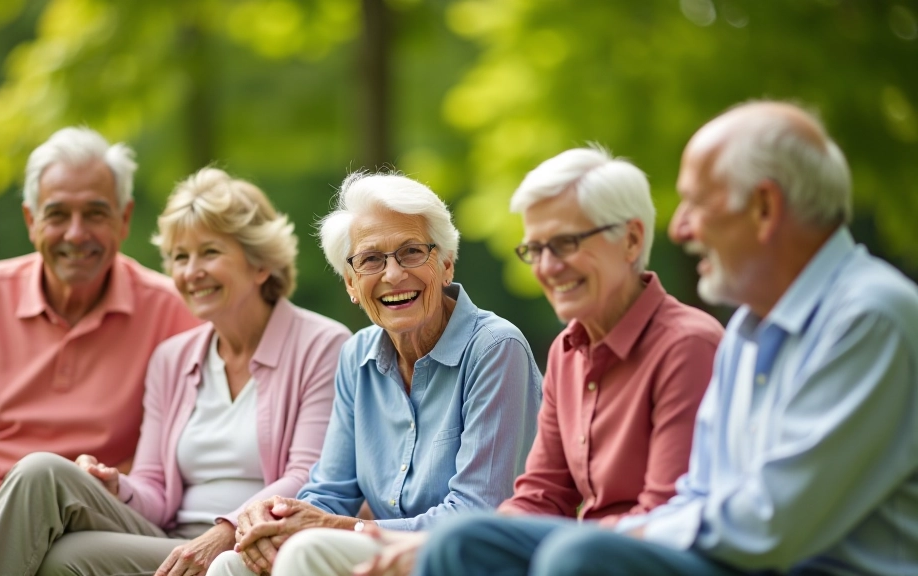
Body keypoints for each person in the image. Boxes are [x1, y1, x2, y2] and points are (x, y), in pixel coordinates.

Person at [415, 101, 918, 576]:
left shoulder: (868, 317)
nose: (678, 227)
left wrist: (629, 534)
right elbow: (699, 492)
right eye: (537, 248)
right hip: (732, 553)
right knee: (462, 544)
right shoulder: (749, 327)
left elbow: (770, 523)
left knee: (580, 558)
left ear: (764, 208)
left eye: (696, 204)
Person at [0, 167, 352, 576]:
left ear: (261, 264)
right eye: (180, 256)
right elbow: (155, 489)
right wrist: (116, 487)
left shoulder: (322, 346)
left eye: (210, 253)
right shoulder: (172, 359)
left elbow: (307, 477)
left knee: (62, 560)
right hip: (168, 539)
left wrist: (225, 532)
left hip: (251, 546)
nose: (191, 272)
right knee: (41, 472)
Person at [348, 146, 725, 576]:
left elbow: (665, 515)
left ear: (632, 240)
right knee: (459, 542)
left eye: (565, 243)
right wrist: (428, 542)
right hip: (588, 552)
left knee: (569, 557)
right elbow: (541, 495)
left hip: (657, 554)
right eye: (536, 248)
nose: (548, 267)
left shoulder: (687, 345)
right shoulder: (568, 350)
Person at [0, 127, 201, 576]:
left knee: (43, 486)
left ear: (124, 218)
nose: (76, 235)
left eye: (95, 213)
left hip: (84, 514)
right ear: (31, 220)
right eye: (58, 214)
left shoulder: (170, 309)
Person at [205, 172, 543, 576]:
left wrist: (342, 528)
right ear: (351, 283)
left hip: (467, 560)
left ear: (447, 264)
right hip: (382, 560)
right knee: (232, 564)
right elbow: (330, 492)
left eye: (412, 252)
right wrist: (276, 516)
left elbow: (475, 513)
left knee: (304, 554)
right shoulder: (357, 356)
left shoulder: (495, 349)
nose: (393, 275)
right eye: (370, 260)